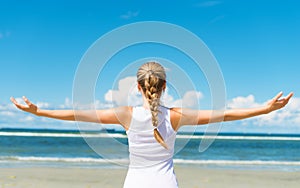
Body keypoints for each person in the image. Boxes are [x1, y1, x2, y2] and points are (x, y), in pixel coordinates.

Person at [11, 62, 293, 188]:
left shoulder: (125, 115)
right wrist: (265, 109)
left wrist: (40, 113)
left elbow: (78, 114)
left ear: (137, 86)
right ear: (165, 86)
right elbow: (225, 114)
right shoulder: (177, 115)